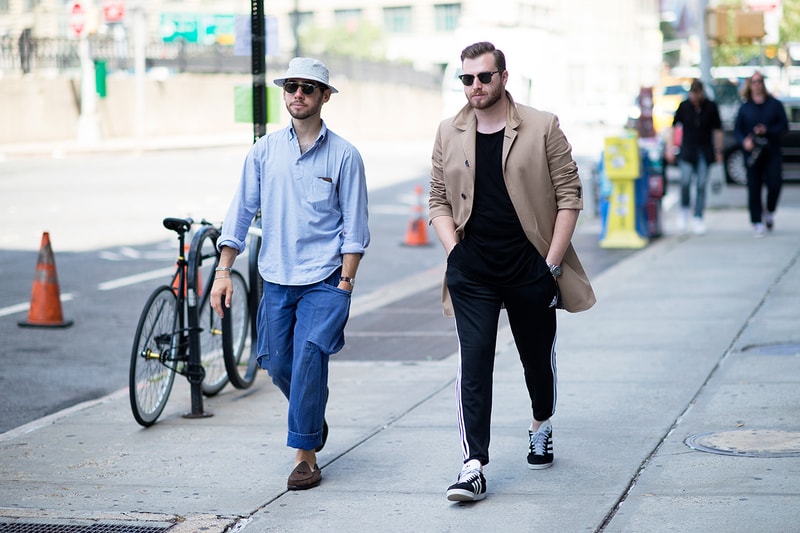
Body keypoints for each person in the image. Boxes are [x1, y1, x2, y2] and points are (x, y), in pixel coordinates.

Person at [428, 41, 596, 503]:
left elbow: (569, 195)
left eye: (484, 77)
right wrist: (453, 254)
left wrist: (552, 264)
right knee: (474, 362)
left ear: (503, 77)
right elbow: (438, 198)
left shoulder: (541, 126)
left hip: (530, 267)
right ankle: (472, 465)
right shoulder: (449, 131)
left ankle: (541, 422)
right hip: (473, 271)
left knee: (536, 360)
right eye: (467, 79)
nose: (475, 86)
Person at [210, 57, 370, 491]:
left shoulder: (345, 155)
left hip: (325, 279)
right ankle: (312, 417)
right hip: (277, 279)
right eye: (291, 86)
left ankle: (305, 456)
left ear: (324, 97)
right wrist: (223, 271)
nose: (297, 93)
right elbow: (240, 212)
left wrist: (345, 284)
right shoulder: (263, 151)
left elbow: (355, 229)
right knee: (277, 362)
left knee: (308, 357)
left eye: (308, 87)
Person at [665, 79, 723, 235]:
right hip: (688, 150)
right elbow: (673, 127)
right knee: (685, 181)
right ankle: (684, 211)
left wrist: (718, 151)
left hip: (705, 150)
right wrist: (670, 148)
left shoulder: (711, 107)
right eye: (693, 95)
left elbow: (718, 130)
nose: (695, 99)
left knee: (701, 184)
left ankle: (698, 216)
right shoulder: (684, 106)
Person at [734, 72, 789, 237]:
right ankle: (757, 221)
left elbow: (784, 126)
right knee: (754, 187)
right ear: (749, 85)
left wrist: (768, 130)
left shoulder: (774, 104)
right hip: (753, 154)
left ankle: (770, 210)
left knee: (775, 183)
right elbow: (738, 130)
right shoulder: (745, 107)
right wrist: (745, 141)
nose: (757, 84)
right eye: (753, 81)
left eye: (759, 81)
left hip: (771, 151)